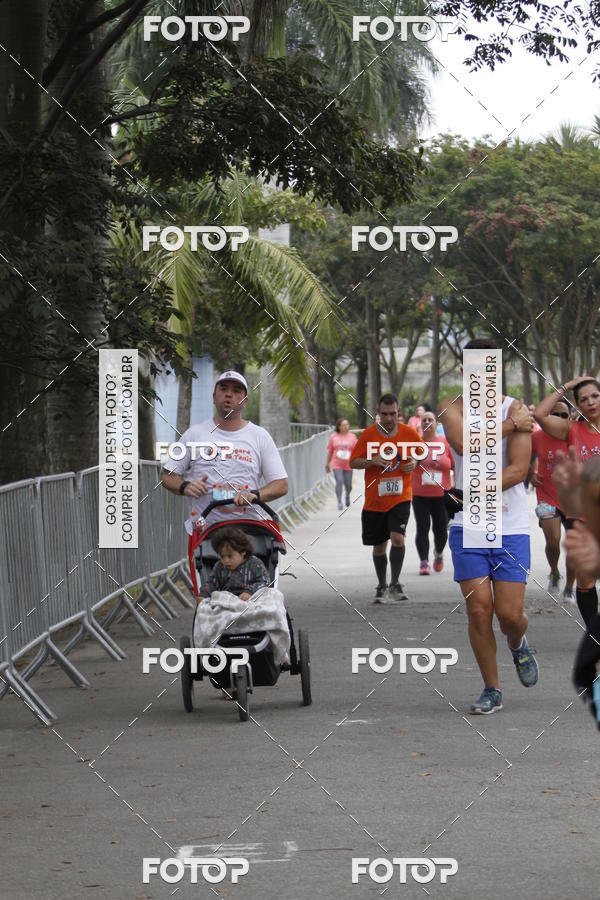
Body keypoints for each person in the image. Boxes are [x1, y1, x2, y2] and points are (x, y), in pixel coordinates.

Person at [439, 339, 538, 715]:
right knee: (479, 610)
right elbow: (462, 443)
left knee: (509, 616)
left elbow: (518, 470)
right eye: (474, 367)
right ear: (464, 371)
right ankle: (492, 689)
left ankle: (518, 643)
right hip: (468, 525)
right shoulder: (453, 407)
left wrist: (474, 489)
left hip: (510, 524)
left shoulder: (515, 407)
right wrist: (511, 426)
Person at [160, 370, 288, 525]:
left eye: (236, 391)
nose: (229, 394)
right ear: (214, 397)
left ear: (245, 401)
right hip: (204, 535)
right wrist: (184, 486)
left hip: (249, 533)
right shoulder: (193, 435)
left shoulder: (260, 436)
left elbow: (281, 485)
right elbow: (167, 476)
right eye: (223, 389)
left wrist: (255, 495)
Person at [534, 376, 600, 625]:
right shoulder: (572, 430)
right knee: (585, 580)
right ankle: (595, 637)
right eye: (583, 400)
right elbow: (540, 414)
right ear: (578, 406)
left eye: (595, 396)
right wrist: (566, 387)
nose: (590, 402)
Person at [350, 393, 423, 603]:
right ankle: (382, 585)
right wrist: (372, 460)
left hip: (401, 496)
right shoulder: (369, 435)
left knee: (398, 538)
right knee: (380, 546)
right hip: (375, 500)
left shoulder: (408, 433)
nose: (389, 418)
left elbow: (422, 452)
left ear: (398, 412)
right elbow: (353, 462)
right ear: (378, 413)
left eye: (393, 414)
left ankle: (395, 583)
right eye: (384, 414)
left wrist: (415, 463)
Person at [528, 397, 575, 602]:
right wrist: (531, 473)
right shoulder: (536, 437)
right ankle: (555, 571)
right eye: (553, 414)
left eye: (563, 415)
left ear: (570, 417)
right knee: (553, 540)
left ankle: (570, 588)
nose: (558, 419)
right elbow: (523, 459)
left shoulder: (575, 435)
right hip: (547, 495)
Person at [411, 410, 454, 575]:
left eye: (430, 419)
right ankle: (424, 561)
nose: (427, 422)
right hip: (419, 494)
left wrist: (456, 485)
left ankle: (438, 553)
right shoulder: (415, 443)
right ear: (420, 424)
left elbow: (454, 465)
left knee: (441, 530)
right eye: (424, 420)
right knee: (422, 527)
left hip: (441, 495)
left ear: (437, 424)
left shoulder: (445, 442)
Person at [198, 526, 270, 601]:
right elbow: (211, 583)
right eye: (222, 556)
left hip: (251, 599)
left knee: (274, 594)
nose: (226, 560)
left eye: (230, 556)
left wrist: (249, 591)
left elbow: (264, 581)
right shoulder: (219, 566)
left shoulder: (255, 563)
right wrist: (204, 594)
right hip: (227, 599)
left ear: (243, 551)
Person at [326, 418, 358, 510]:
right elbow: (330, 451)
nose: (346, 426)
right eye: (344, 425)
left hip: (348, 464)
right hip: (337, 463)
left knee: (348, 485)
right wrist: (327, 464)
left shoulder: (352, 436)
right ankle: (339, 501)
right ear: (339, 426)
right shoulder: (333, 437)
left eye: (347, 424)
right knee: (339, 481)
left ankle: (347, 495)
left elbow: (356, 450)